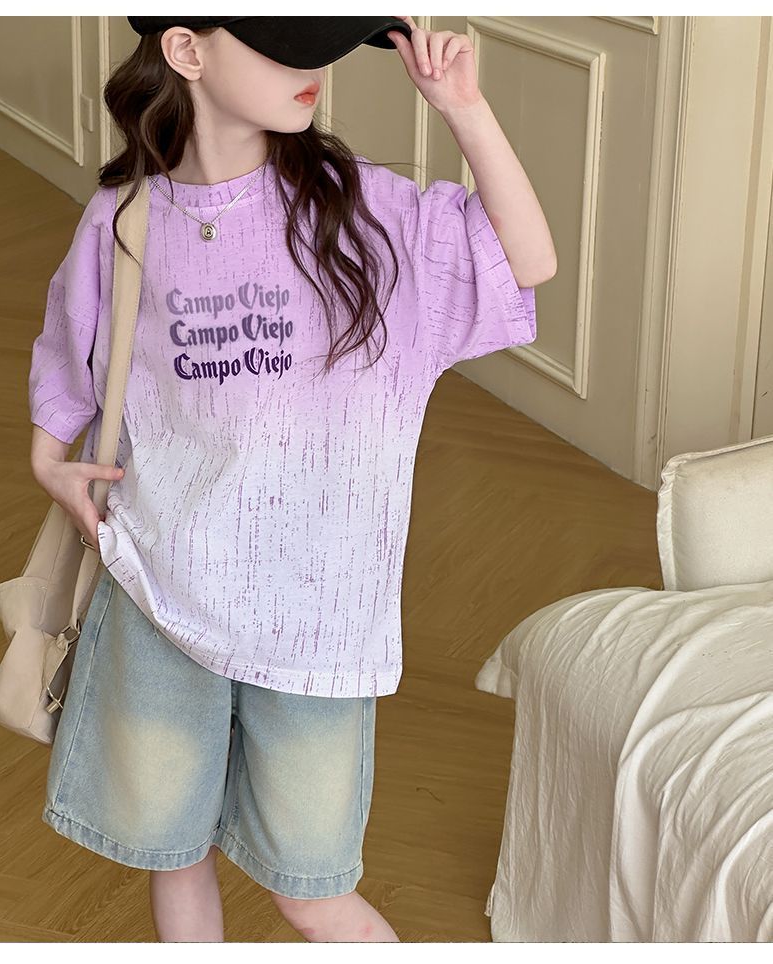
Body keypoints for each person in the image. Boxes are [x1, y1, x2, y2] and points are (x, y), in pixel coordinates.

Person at [27, 15, 556, 943]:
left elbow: (526, 263)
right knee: (174, 852)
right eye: (281, 40)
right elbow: (72, 348)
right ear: (187, 50)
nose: (312, 65)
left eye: (320, 41)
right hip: (161, 596)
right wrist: (46, 462)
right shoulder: (126, 219)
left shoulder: (364, 211)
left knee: (311, 891)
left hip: (318, 626)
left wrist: (465, 110)